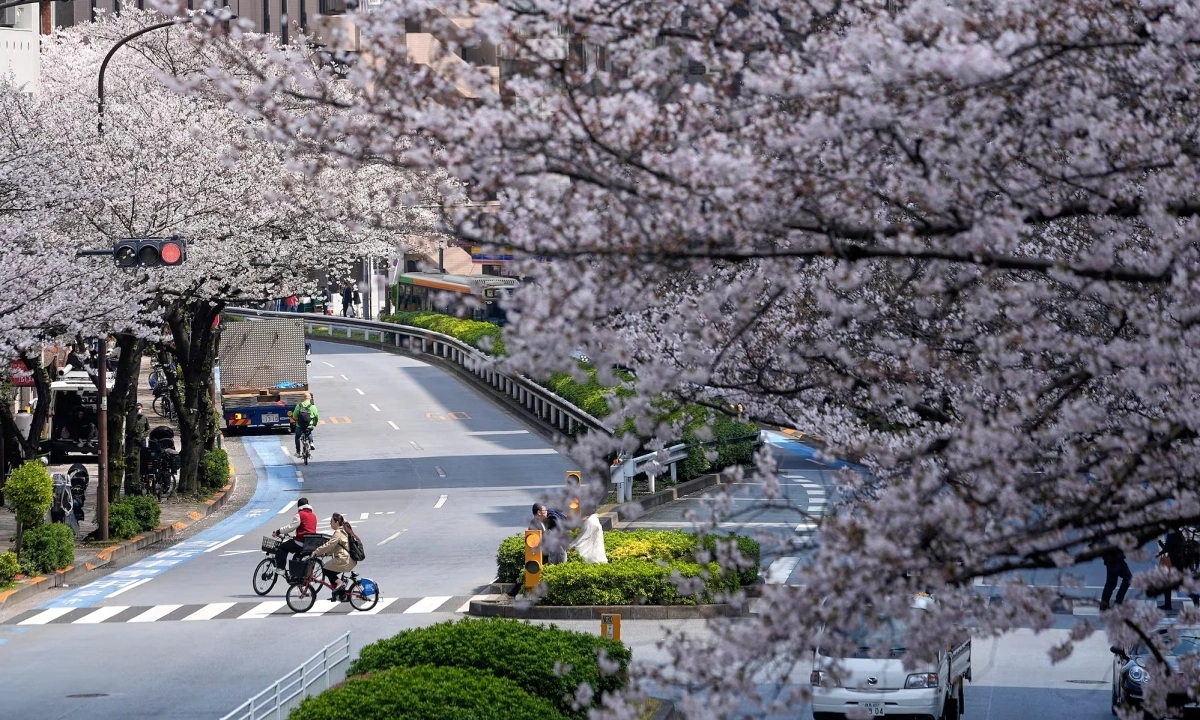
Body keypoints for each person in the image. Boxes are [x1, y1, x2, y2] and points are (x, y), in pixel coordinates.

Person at [311, 513, 358, 600]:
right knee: (331, 573)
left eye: (331, 521)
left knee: (325, 569)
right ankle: (338, 593)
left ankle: (340, 584)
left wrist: (316, 552)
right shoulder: (343, 531)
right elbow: (335, 548)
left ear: (336, 522)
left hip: (343, 560)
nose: (330, 523)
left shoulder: (338, 533)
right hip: (349, 560)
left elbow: (329, 545)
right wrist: (324, 554)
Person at [1157, 529, 1200, 611]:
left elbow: (1168, 548)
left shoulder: (1172, 533)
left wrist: (1159, 544)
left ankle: (1193, 597)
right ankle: (1193, 597)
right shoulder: (1178, 533)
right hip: (1179, 563)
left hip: (1175, 563)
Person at [273, 497, 316, 576]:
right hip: (310, 544)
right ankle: (296, 577)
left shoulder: (300, 515)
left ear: (299, 506)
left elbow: (290, 527)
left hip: (301, 542)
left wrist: (278, 531)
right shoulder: (313, 516)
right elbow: (306, 529)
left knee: (282, 547)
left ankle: (281, 568)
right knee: (296, 557)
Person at [1099, 546, 1131, 611]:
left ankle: (1106, 606)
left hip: (1117, 557)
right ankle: (1112, 605)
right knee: (1111, 583)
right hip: (1112, 557)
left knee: (1112, 583)